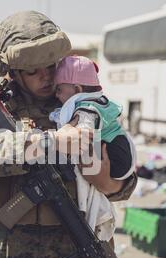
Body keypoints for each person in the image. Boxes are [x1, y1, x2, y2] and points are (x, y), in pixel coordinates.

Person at [0, 11, 138, 258]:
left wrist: (109, 183)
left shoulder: (79, 106)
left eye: (50, 66)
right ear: (12, 71)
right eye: (33, 71)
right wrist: (52, 143)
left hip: (70, 250)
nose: (46, 77)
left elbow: (123, 172)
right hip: (8, 256)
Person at [50, 55, 137, 241]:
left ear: (77, 89)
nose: (56, 95)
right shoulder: (95, 102)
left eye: (59, 90)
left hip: (114, 159)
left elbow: (85, 131)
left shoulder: (86, 108)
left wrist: (66, 133)